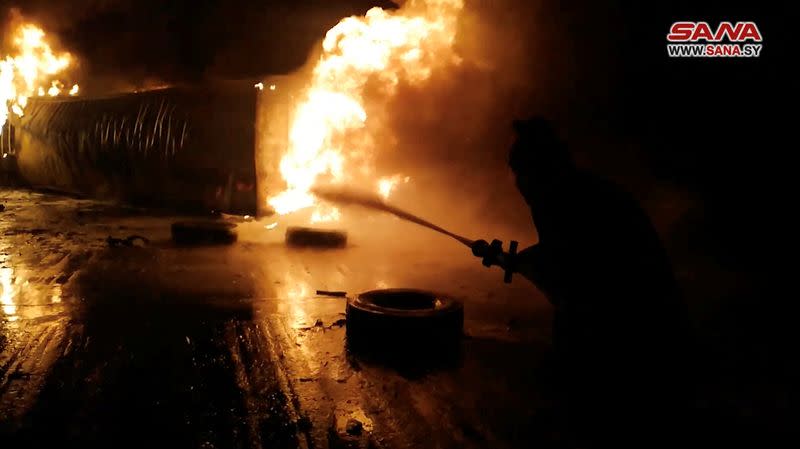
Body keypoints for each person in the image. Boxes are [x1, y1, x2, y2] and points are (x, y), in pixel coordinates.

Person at [473, 118, 693, 447]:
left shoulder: (563, 199)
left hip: (634, 329)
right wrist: (511, 260)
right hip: (641, 316)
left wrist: (513, 261)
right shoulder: (577, 190)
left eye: (520, 172)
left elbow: (573, 268)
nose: (516, 182)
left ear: (540, 168)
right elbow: (559, 256)